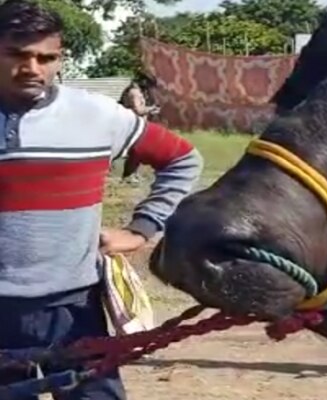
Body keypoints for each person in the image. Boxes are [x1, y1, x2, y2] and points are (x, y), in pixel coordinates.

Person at [0, 1, 203, 399]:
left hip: (72, 306)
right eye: (18, 55)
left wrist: (142, 228)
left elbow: (182, 159)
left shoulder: (97, 114)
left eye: (47, 58)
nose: (33, 68)